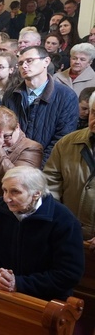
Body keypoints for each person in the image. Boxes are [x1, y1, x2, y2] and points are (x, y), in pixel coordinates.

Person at [0, 167, 84, 300]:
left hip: (45, 298)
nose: (7, 199)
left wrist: (20, 283)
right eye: (5, 190)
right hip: (1, 289)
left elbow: (69, 274)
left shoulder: (64, 219)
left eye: (15, 192)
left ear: (36, 194)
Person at [1, 46, 78, 165]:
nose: (24, 66)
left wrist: (38, 167)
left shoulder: (66, 96)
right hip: (12, 164)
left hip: (47, 167)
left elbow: (62, 139)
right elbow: (4, 131)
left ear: (46, 62)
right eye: (20, 63)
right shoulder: (10, 95)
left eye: (29, 60)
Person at [44, 91, 95, 249]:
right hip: (66, 237)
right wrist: (57, 222)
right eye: (94, 112)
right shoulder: (67, 143)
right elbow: (50, 186)